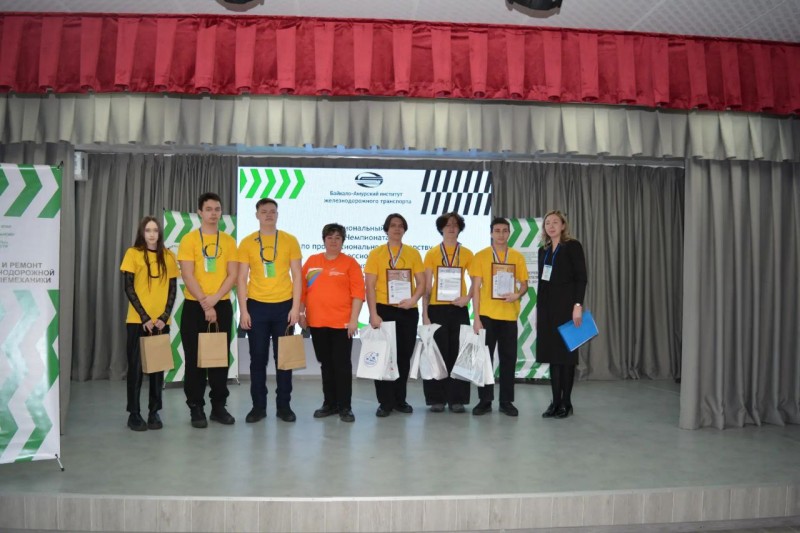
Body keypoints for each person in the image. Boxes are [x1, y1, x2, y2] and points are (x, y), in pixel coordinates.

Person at [236, 198, 302, 423]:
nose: (268, 215)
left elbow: (297, 276)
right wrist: (244, 311)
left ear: (277, 214)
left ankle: (284, 406)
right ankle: (258, 407)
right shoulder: (247, 242)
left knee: (284, 360)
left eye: (272, 211)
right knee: (258, 360)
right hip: (256, 307)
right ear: (257, 215)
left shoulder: (290, 240)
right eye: (264, 211)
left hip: (285, 307)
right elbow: (241, 279)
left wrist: (295, 308)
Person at [178, 192, 238, 428]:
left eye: (217, 209)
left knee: (218, 359)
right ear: (200, 212)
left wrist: (214, 300)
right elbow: (187, 274)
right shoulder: (189, 240)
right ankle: (196, 407)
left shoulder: (229, 241)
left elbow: (232, 275)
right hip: (195, 306)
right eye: (209, 209)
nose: (214, 213)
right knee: (194, 359)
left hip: (221, 304)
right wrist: (205, 302)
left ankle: (218, 407)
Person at [299, 223, 365, 423]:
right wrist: (301, 312)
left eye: (338, 238)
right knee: (326, 365)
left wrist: (354, 320)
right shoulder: (312, 261)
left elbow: (358, 294)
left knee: (342, 366)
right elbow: (302, 290)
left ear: (343, 241)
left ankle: (345, 407)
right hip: (317, 323)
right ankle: (329, 404)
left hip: (342, 324)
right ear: (324, 240)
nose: (333, 241)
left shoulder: (350, 263)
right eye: (330, 237)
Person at [120, 216, 178, 431]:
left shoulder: (168, 256)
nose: (152, 234)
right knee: (135, 369)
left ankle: (154, 412)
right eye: (148, 230)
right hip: (138, 321)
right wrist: (144, 317)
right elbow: (128, 287)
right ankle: (134, 414)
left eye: (155, 230)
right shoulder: (132, 254)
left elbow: (172, 289)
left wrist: (164, 317)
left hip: (161, 323)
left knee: (157, 369)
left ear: (159, 233)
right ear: (142, 233)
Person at [364, 213, 426, 417]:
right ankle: (385, 402)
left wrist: (413, 299)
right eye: (393, 225)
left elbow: (422, 282)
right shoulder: (376, 254)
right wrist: (373, 314)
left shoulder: (413, 253)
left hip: (408, 310)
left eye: (400, 226)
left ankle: (400, 400)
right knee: (384, 356)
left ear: (404, 229)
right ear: (386, 229)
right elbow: (370, 286)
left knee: (403, 357)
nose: (397, 229)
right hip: (384, 310)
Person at [470, 217, 529, 417]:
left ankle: (506, 401)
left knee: (508, 359)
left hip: (509, 315)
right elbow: (476, 289)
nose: (501, 234)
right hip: (486, 315)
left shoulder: (517, 257)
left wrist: (517, 294)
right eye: (497, 231)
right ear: (491, 233)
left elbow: (524, 284)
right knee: (484, 359)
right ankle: (485, 400)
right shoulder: (481, 256)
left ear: (509, 233)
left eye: (504, 231)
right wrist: (476, 318)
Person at [536, 210, 587, 419]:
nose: (551, 226)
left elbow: (581, 278)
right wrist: (539, 311)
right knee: (553, 358)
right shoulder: (543, 251)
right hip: (548, 310)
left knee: (566, 358)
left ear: (563, 226)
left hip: (567, 309)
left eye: (555, 222)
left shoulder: (572, 246)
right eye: (547, 223)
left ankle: (567, 402)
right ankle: (555, 401)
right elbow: (542, 284)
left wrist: (578, 305)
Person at [421, 212, 474, 413]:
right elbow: (427, 286)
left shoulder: (467, 253)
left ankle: (457, 399)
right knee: (436, 354)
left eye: (455, 225)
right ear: (441, 228)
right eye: (447, 224)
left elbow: (477, 282)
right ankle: (436, 398)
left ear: (460, 229)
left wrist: (468, 297)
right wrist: (425, 314)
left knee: (460, 353)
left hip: (459, 308)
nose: (451, 228)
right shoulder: (432, 253)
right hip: (436, 308)